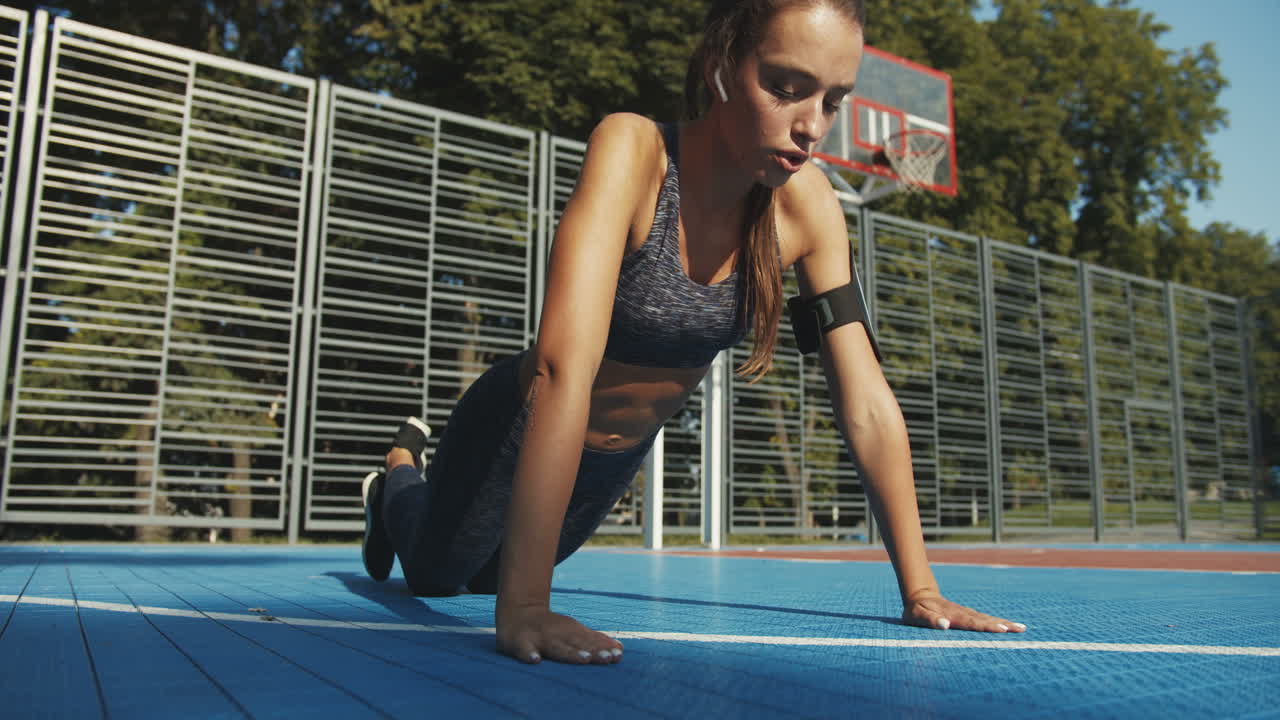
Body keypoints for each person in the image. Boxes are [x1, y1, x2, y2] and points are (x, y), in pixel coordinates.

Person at [360, 0, 1026, 667]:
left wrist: (921, 590)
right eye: (785, 88)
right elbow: (561, 369)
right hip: (518, 426)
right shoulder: (634, 151)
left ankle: (422, 504)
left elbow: (867, 401)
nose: (811, 126)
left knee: (485, 579)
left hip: (609, 462)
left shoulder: (810, 208)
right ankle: (396, 478)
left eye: (832, 101)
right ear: (720, 67)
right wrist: (528, 606)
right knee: (437, 576)